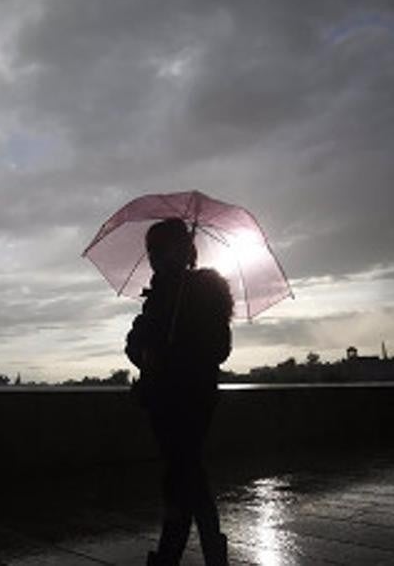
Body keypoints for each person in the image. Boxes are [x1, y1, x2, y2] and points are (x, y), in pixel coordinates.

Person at [125, 217, 233, 566]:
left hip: (190, 396)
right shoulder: (158, 294)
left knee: (182, 471)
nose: (154, 257)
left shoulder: (205, 290)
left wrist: (172, 351)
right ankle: (204, 552)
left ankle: (174, 554)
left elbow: (218, 347)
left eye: (159, 248)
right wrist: (145, 352)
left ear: (182, 249)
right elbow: (134, 343)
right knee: (184, 473)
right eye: (150, 250)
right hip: (163, 397)